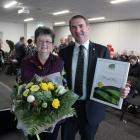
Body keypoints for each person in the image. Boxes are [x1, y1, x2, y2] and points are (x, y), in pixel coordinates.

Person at [59, 15, 130, 140]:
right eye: (73, 27)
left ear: (88, 28)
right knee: (66, 137)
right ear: (70, 30)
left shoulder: (102, 51)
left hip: (91, 107)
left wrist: (120, 89)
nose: (77, 30)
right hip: (69, 106)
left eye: (81, 26)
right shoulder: (64, 52)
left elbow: (110, 77)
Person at [21, 26, 63, 140]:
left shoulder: (59, 62)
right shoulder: (26, 62)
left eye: (48, 41)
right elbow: (25, 84)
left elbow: (61, 84)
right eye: (40, 41)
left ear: (53, 44)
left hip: (52, 111)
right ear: (35, 42)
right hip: (32, 110)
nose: (44, 44)